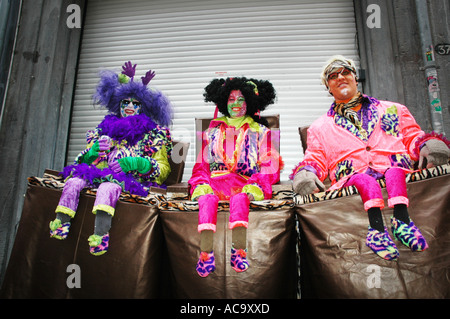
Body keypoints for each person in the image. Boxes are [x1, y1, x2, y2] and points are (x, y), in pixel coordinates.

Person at [291, 55, 449, 261]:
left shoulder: (393, 109)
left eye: (345, 72)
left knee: (395, 172)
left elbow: (412, 137)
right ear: (328, 87)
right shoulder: (319, 127)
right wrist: (305, 174)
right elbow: (315, 158)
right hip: (353, 181)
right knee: (364, 181)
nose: (340, 77)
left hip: (397, 173)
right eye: (333, 76)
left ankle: (403, 224)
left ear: (356, 78)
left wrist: (428, 145)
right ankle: (377, 233)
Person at [49, 61, 173, 256]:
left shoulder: (154, 133)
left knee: (108, 188)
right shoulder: (104, 128)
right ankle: (61, 224)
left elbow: (163, 170)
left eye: (136, 103)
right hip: (96, 175)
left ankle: (100, 236)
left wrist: (137, 163)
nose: (130, 106)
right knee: (73, 181)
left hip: (129, 182)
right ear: (119, 104)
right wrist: (92, 152)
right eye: (126, 102)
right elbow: (80, 161)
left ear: (144, 108)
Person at [189, 77, 282, 277]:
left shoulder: (261, 131)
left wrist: (256, 185)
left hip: (244, 184)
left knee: (240, 199)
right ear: (224, 102)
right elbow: (201, 166)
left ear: (250, 103)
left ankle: (238, 252)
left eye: (241, 99)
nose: (236, 104)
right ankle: (206, 254)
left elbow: (270, 165)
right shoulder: (211, 132)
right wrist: (201, 184)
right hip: (214, 184)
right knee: (206, 199)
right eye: (231, 99)